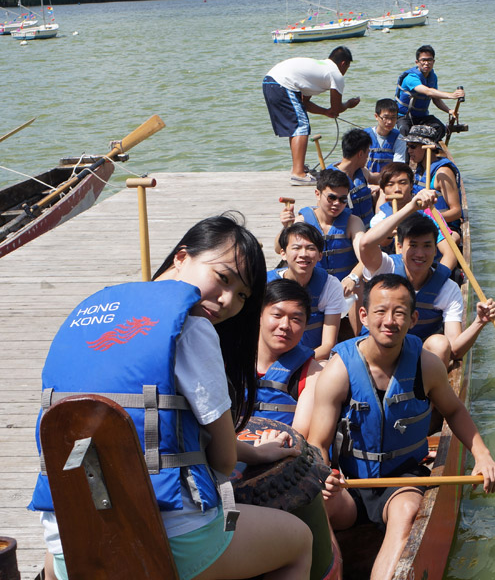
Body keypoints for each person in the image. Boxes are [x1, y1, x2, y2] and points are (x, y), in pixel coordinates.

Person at [31, 213, 312, 580]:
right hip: (170, 538)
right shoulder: (193, 327)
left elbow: (136, 432)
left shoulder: (87, 314)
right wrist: (240, 455)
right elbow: (224, 461)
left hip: (71, 538)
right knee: (300, 541)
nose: (228, 300)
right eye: (223, 278)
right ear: (182, 257)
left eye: (242, 295)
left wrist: (254, 451)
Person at [307, 274, 495, 580]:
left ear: (413, 319)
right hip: (350, 484)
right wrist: (324, 476)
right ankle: (334, 568)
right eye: (380, 312)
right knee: (312, 503)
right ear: (363, 316)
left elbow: (453, 410)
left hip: (403, 480)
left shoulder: (427, 365)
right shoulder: (339, 370)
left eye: (399, 313)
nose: (389, 321)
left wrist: (483, 455)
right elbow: (317, 443)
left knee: (406, 513)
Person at [359, 192, 495, 367]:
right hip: (375, 352)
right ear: (400, 247)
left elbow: (453, 349)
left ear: (435, 250)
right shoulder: (387, 268)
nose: (420, 254)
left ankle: (423, 391)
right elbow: (365, 244)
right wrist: (411, 206)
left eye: (427, 246)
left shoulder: (447, 288)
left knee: (440, 344)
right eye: (413, 246)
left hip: (414, 362)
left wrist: (479, 322)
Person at [278, 168, 366, 334]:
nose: (337, 204)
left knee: (357, 286)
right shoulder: (302, 220)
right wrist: (285, 228)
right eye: (331, 197)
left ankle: (355, 337)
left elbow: (365, 258)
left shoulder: (353, 222)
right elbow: (279, 248)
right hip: (314, 286)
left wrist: (352, 278)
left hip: (345, 289)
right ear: (318, 194)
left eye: (342, 199)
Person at [262, 46, 361, 186]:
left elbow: (305, 104)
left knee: (298, 125)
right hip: (282, 84)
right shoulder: (335, 74)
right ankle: (298, 174)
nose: (345, 72)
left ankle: (298, 167)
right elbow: (337, 109)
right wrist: (348, 104)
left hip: (270, 81)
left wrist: (325, 112)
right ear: (343, 63)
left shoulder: (319, 70)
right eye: (347, 67)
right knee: (301, 126)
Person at [254, 278, 324, 437]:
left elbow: (299, 436)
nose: (285, 325)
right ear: (259, 315)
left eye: (296, 319)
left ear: (306, 325)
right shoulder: (228, 361)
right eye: (277, 315)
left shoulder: (312, 375)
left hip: (281, 455)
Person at [270, 222, 347, 361]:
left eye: (310, 248)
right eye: (296, 248)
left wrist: (296, 364)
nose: (303, 254)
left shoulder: (330, 285)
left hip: (311, 359)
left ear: (320, 255)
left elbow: (328, 344)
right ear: (283, 253)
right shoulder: (265, 284)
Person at [370, 162, 457, 272]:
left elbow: (450, 254)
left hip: (428, 272)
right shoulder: (379, 219)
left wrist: (434, 281)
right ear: (383, 190)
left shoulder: (428, 213)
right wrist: (389, 235)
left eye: (403, 183)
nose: (397, 189)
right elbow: (376, 247)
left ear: (411, 186)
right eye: (390, 184)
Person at [405, 125, 463, 242]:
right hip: (419, 223)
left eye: (413, 146)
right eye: (408, 146)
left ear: (427, 147)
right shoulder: (420, 168)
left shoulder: (442, 173)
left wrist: (430, 219)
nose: (409, 151)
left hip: (444, 226)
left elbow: (456, 212)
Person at [395, 45, 465, 142]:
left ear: (433, 62)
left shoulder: (432, 77)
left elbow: (435, 99)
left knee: (440, 128)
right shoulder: (411, 78)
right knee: (404, 131)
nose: (426, 63)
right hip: (404, 117)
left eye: (429, 60)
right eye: (423, 60)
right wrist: (452, 95)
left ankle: (431, 152)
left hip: (421, 117)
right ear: (417, 62)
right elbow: (428, 92)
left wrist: (449, 111)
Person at [328, 128, 379, 225]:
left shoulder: (362, 172)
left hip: (369, 228)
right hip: (348, 229)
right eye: (367, 154)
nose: (367, 158)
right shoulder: (331, 178)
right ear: (360, 154)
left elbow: (377, 178)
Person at [365, 99, 406, 175]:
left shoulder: (399, 138)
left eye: (393, 117)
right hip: (366, 177)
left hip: (388, 180)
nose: (389, 122)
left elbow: (398, 166)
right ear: (376, 116)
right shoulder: (364, 135)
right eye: (386, 117)